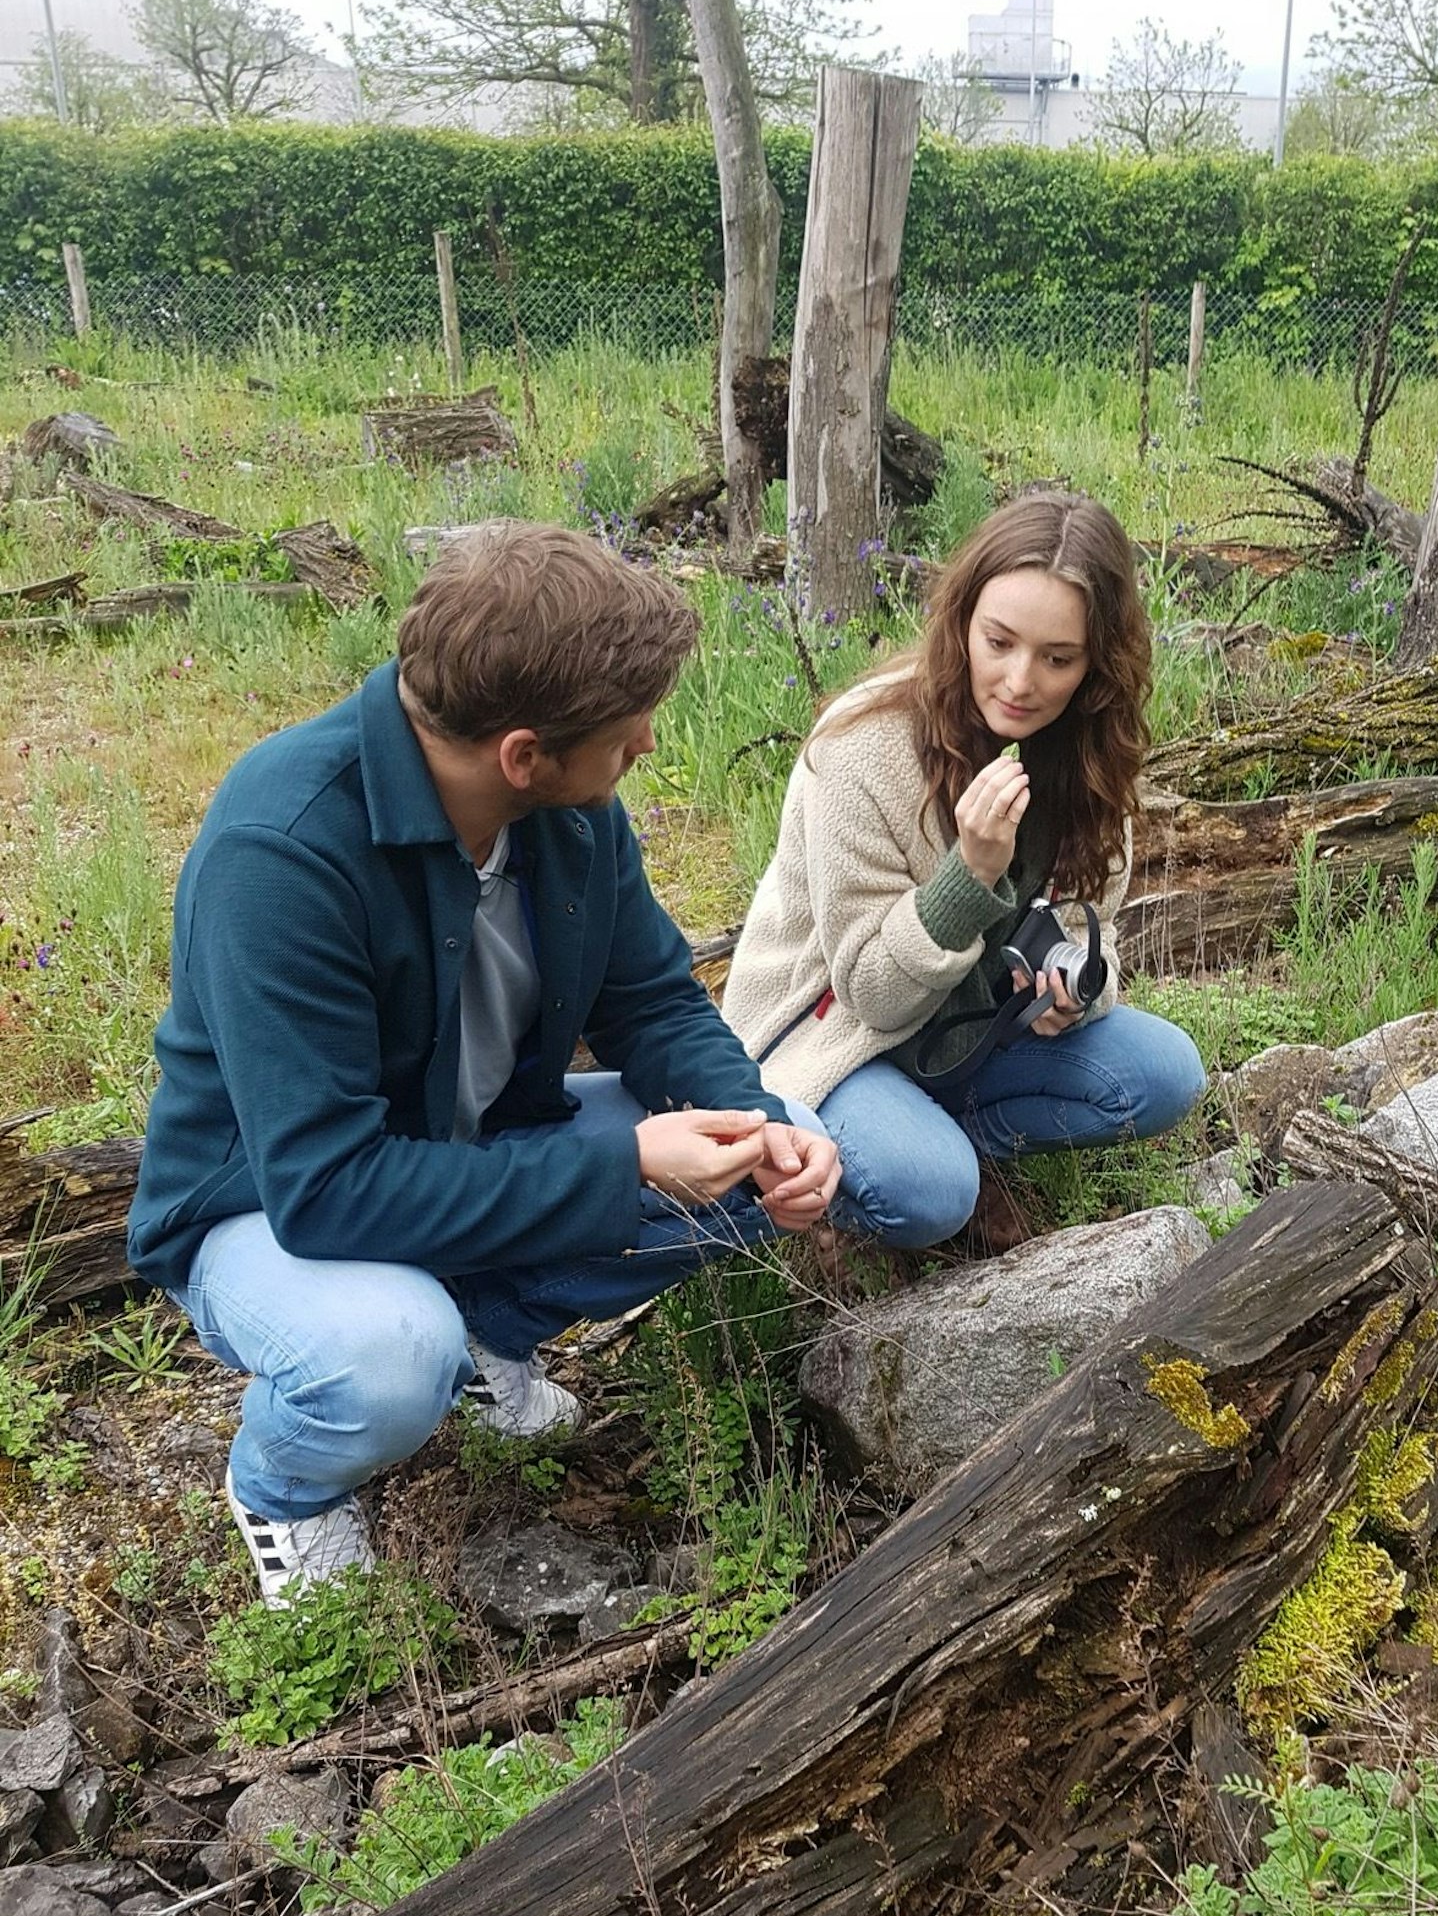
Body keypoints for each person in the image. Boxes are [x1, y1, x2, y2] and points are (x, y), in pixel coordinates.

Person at [128, 523, 840, 1603]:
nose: (647, 741)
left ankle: (487, 1341)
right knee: (385, 1356)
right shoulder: (281, 851)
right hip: (262, 1205)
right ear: (521, 754)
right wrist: (627, 1166)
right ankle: (285, 1487)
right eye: (627, 725)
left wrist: (751, 1117)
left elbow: (651, 1001)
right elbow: (325, 1190)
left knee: (771, 1145)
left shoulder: (573, 818)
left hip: (458, 1147)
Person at [722, 492, 1205, 1249]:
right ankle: (830, 1163)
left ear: (1096, 664)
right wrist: (968, 876)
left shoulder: (1088, 755)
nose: (1021, 681)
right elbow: (871, 994)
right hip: (838, 1037)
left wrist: (1076, 987)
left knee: (1167, 1072)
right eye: (1000, 642)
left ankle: (951, 1134)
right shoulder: (863, 748)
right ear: (963, 622)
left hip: (978, 1034)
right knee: (931, 1190)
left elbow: (1094, 928)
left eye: (1058, 658)